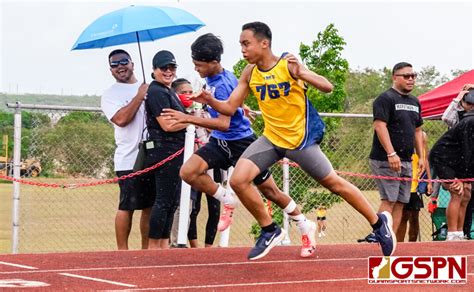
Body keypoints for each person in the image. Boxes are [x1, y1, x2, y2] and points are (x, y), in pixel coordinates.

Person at [189, 23, 396, 259]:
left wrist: (302, 73)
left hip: (300, 142)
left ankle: (378, 224)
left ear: (264, 43)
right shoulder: (249, 72)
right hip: (271, 139)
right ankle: (270, 230)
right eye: (240, 45)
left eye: (246, 44)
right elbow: (229, 107)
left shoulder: (288, 64)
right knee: (238, 180)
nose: (242, 50)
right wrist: (208, 99)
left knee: (334, 184)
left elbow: (328, 87)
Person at [163, 33, 318, 258]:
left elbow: (223, 123)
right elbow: (234, 99)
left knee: (271, 192)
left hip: (241, 143)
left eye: (199, 65)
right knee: (188, 172)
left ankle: (304, 225)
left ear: (214, 62)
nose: (196, 69)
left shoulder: (223, 82)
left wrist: (187, 118)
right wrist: (242, 107)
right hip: (219, 143)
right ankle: (228, 199)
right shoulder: (217, 78)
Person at [101, 49, 155, 250]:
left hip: (152, 156)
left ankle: (145, 250)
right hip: (128, 159)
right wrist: (139, 97)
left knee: (149, 206)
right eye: (115, 64)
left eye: (124, 61)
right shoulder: (110, 95)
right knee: (127, 205)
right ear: (110, 70)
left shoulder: (148, 87)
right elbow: (121, 119)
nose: (120, 66)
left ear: (132, 63)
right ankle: (122, 252)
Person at [368, 62, 424, 242]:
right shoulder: (385, 99)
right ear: (394, 77)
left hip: (407, 160)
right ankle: (379, 236)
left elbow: (417, 131)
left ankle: (390, 239)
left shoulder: (415, 101)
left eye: (413, 76)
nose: (411, 79)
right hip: (385, 159)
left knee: (401, 202)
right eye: (406, 76)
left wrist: (421, 156)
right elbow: (379, 126)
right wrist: (391, 154)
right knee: (389, 200)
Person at [169, 78, 221, 248]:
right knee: (192, 207)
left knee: (215, 207)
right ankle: (193, 245)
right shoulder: (177, 114)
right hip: (189, 167)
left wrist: (200, 116)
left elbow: (217, 129)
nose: (188, 96)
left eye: (190, 92)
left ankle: (209, 247)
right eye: (184, 93)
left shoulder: (205, 113)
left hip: (211, 165)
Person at [145, 50, 188, 249]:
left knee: (172, 201)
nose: (169, 71)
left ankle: (163, 244)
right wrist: (191, 120)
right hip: (165, 152)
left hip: (176, 152)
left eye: (172, 67)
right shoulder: (156, 92)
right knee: (163, 201)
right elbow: (167, 125)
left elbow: (177, 119)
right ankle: (154, 246)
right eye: (164, 68)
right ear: (154, 70)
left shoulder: (168, 91)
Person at [436, 87, 474, 240]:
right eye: (469, 103)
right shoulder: (462, 118)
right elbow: (446, 117)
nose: (471, 106)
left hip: (464, 161)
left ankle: (460, 232)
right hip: (449, 161)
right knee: (457, 193)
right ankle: (452, 234)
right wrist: (458, 96)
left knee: (466, 195)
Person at [396, 131, 432, 242]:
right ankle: (399, 244)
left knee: (414, 217)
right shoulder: (401, 134)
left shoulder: (422, 135)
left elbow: (425, 159)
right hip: (403, 182)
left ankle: (413, 244)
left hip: (415, 185)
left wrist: (429, 181)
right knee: (403, 216)